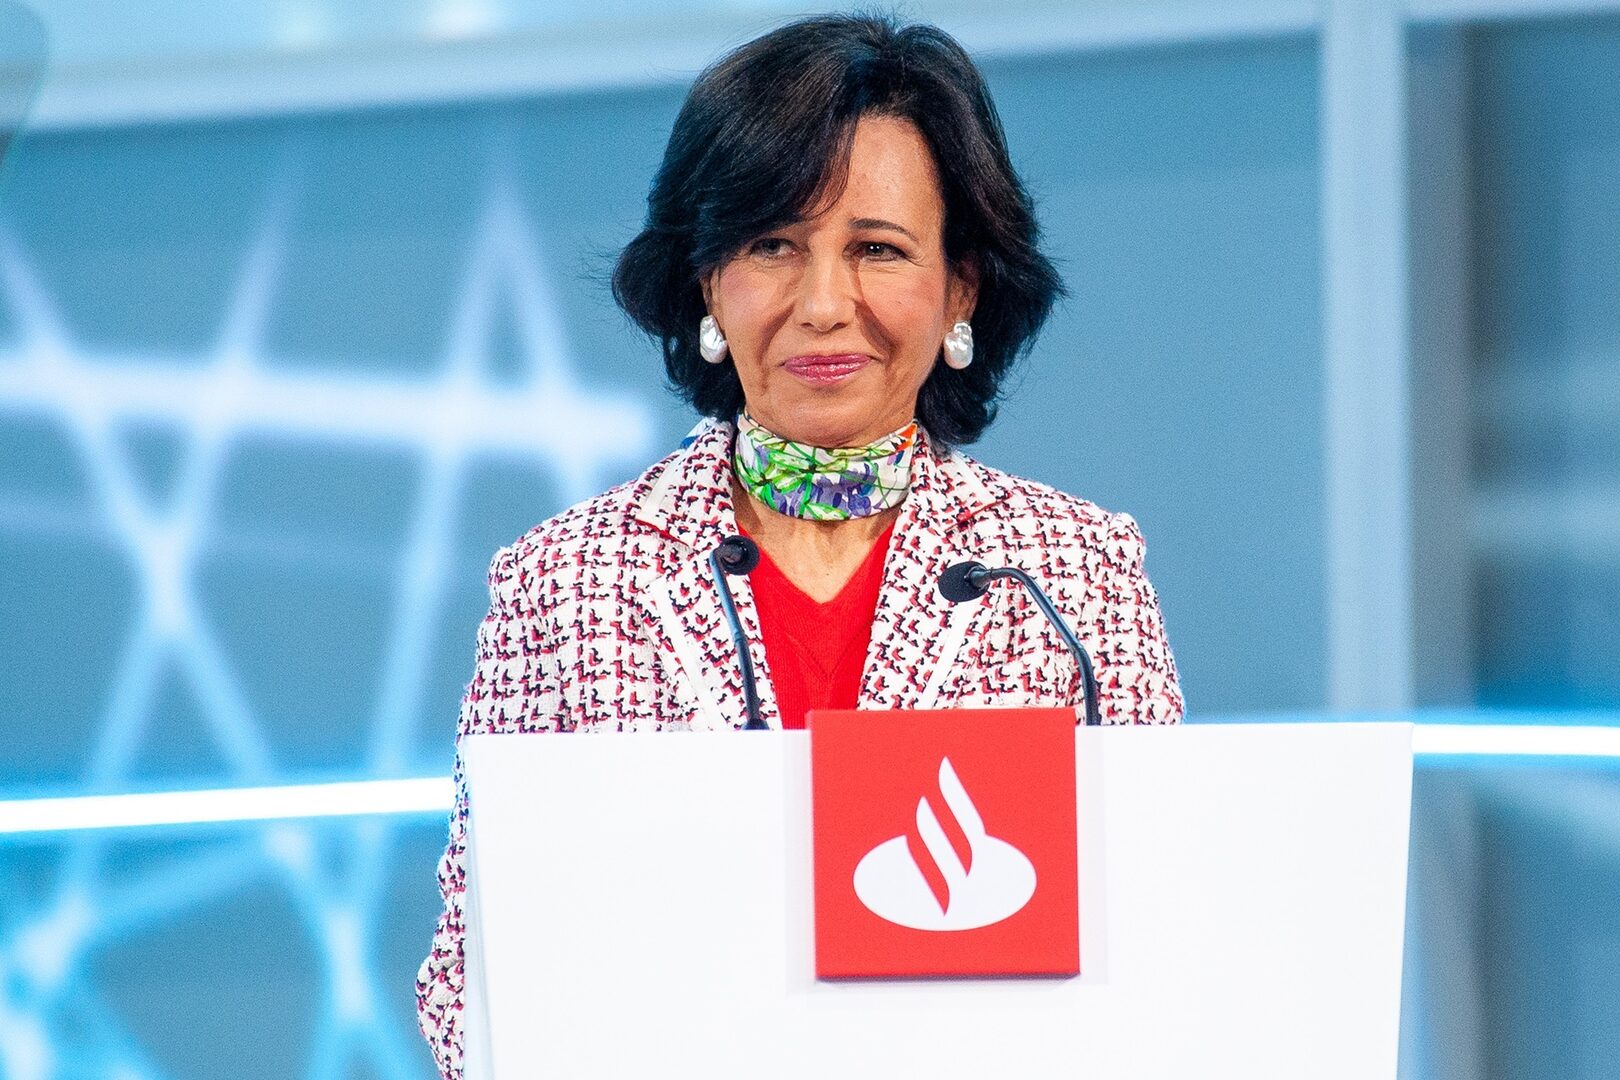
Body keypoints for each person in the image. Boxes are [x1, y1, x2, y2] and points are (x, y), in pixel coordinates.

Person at [416, 13, 1182, 1076]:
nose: (824, 304)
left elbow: (1160, 944)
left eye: (878, 249)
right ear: (706, 282)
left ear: (961, 287)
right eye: (772, 245)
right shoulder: (568, 579)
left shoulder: (1071, 576)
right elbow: (468, 991)